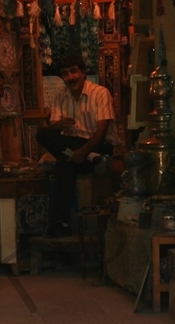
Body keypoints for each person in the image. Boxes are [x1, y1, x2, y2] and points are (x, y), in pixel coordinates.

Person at [36, 59, 117, 236]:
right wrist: (58, 125)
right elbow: (53, 124)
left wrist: (84, 151)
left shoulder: (100, 93)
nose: (70, 77)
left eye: (73, 71)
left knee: (64, 163)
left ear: (83, 73)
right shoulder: (61, 97)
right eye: (65, 74)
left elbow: (102, 130)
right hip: (77, 148)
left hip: (98, 146)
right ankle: (92, 159)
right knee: (43, 134)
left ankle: (61, 223)